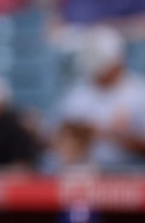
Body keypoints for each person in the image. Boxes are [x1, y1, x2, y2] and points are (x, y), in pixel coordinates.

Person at [57, 27, 145, 168]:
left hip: (133, 171)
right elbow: (60, 138)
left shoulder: (139, 92)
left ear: (117, 61)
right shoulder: (77, 93)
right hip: (86, 171)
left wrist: (107, 133)